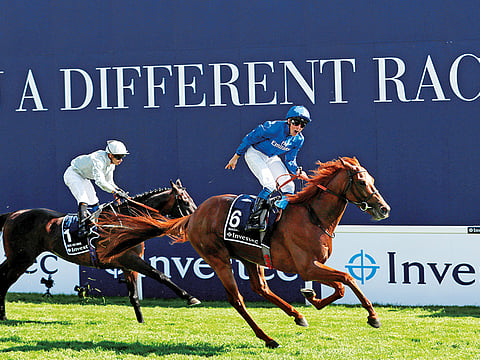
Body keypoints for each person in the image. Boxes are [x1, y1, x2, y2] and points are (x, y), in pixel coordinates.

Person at [225, 105, 310, 231]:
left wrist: (297, 170)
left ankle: (283, 218)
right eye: (296, 122)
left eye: (302, 125)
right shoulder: (274, 127)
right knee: (270, 185)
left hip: (272, 157)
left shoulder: (298, 139)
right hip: (255, 153)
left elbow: (290, 160)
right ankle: (254, 219)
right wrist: (237, 156)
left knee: (289, 186)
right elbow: (251, 137)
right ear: (288, 121)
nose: (298, 127)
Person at [63, 140, 130, 237]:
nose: (121, 160)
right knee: (83, 199)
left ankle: (97, 226)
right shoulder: (98, 160)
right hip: (73, 174)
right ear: (110, 155)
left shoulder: (111, 165)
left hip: (84, 176)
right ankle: (82, 230)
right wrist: (115, 191)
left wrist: (118, 191)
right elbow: (100, 182)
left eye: (122, 156)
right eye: (118, 157)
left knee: (94, 201)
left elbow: (109, 182)